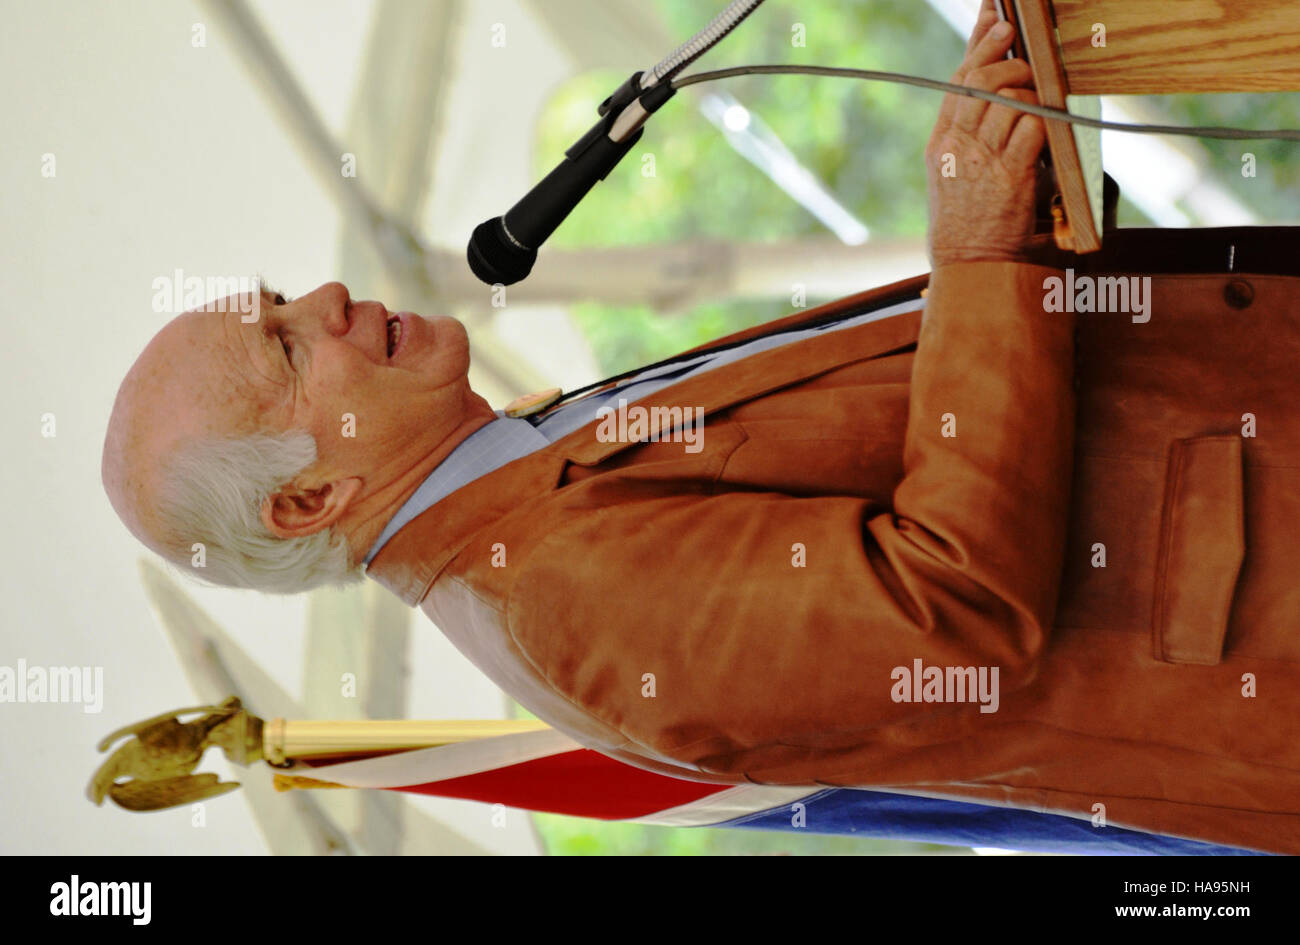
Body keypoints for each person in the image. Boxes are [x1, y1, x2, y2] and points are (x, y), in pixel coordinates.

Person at [102, 1, 1300, 853]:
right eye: (283, 347)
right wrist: (981, 254)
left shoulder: (521, 484)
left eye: (278, 301)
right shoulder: (554, 611)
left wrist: (1014, 212)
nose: (325, 302)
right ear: (309, 501)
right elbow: (955, 613)